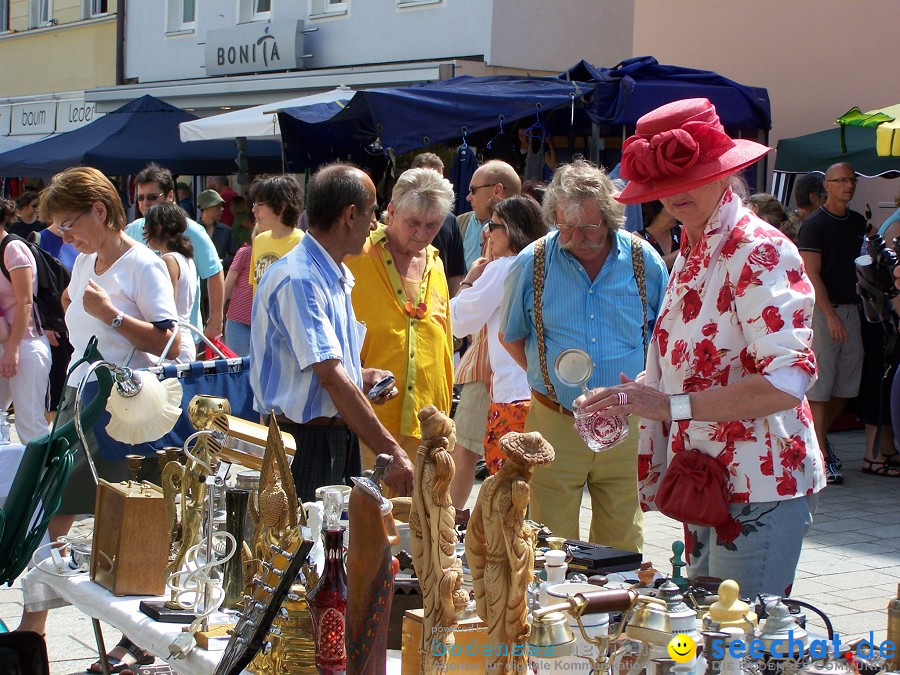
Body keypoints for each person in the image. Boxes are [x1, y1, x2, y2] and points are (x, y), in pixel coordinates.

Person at [580, 98, 826, 598]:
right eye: (665, 185)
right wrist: (631, 397)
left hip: (760, 482)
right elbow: (693, 371)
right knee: (711, 638)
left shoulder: (758, 249)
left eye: (691, 177)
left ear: (724, 172)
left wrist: (668, 405)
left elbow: (787, 379)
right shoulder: (692, 249)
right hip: (705, 477)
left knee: (739, 642)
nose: (676, 195)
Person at [17, 167, 180, 669]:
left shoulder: (144, 265)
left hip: (126, 410)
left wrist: (110, 315)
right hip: (81, 402)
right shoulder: (86, 261)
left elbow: (172, 343)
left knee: (136, 529)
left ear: (100, 211)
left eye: (68, 223)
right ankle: (33, 631)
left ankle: (136, 640)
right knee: (56, 518)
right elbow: (77, 310)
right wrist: (80, 306)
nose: (63, 236)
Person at [500, 158, 668, 552]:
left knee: (623, 538)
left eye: (587, 227)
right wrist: (550, 380)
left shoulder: (645, 262)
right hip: (556, 421)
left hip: (627, 420)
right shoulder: (532, 263)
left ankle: (614, 609)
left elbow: (665, 337)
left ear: (610, 218)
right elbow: (512, 336)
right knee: (548, 540)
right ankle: (555, 612)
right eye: (565, 226)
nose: (575, 237)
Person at [250, 162, 414, 501]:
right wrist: (391, 450)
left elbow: (328, 371)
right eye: (372, 212)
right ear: (350, 214)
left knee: (338, 548)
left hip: (332, 437)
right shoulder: (302, 278)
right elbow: (331, 377)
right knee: (305, 550)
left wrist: (363, 376)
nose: (375, 222)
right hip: (304, 444)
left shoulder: (330, 274)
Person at [346, 168, 455, 477]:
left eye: (432, 225)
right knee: (370, 518)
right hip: (369, 422)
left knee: (421, 519)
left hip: (427, 422)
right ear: (390, 212)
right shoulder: (356, 255)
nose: (422, 233)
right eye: (413, 223)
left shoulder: (435, 261)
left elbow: (443, 338)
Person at [451, 196, 546, 476]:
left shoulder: (502, 268)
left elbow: (458, 322)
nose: (486, 233)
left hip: (511, 395)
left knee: (507, 485)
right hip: (546, 395)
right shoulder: (546, 264)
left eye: (492, 226)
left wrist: (469, 280)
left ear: (511, 229)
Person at [448, 160, 521, 506]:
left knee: (467, 449)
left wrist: (469, 281)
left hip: (494, 370)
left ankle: (447, 530)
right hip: (517, 376)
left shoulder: (504, 260)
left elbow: (461, 318)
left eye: (474, 191)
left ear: (497, 191)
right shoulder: (534, 241)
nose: (468, 198)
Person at [795, 162, 866, 485]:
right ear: (828, 186)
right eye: (841, 180)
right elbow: (811, 273)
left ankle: (816, 438)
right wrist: (830, 314)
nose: (848, 185)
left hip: (852, 307)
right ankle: (821, 455)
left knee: (848, 383)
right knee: (821, 387)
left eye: (851, 180)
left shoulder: (857, 222)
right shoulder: (815, 224)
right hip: (824, 311)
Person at [125, 163, 225, 341]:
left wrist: (215, 320)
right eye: (140, 198)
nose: (145, 204)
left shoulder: (191, 230)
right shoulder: (132, 230)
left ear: (170, 195)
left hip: (182, 332)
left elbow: (213, 271)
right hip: (142, 332)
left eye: (152, 197)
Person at [0, 198, 49, 443]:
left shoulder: (12, 249)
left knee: (30, 425)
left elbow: (25, 303)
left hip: (26, 345)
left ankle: (47, 479)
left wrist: (13, 350)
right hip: (8, 344)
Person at [144, 203, 197, 363]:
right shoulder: (186, 258)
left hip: (172, 343)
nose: (145, 231)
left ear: (158, 228)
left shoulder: (169, 259)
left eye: (147, 226)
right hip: (185, 339)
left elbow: (167, 308)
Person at [410, 152, 466, 296]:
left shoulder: (450, 220)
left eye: (439, 181)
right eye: (430, 181)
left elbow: (455, 272)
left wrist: (451, 307)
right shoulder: (397, 216)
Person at [248, 175, 304, 291]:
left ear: (281, 206)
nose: (254, 210)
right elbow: (256, 288)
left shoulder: (302, 243)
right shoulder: (259, 240)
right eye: (254, 204)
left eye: (260, 204)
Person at [224, 223, 265, 357]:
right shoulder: (245, 253)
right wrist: (217, 315)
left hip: (265, 322)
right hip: (239, 321)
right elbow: (227, 285)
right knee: (238, 368)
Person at [196, 189, 238, 272]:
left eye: (221, 205)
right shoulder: (193, 230)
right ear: (206, 207)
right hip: (197, 279)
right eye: (217, 206)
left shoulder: (226, 231)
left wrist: (221, 262)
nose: (222, 209)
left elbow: (236, 257)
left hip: (219, 278)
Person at [636, 199, 681, 270]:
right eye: (671, 208)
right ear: (657, 211)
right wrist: (683, 251)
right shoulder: (637, 238)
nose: (676, 212)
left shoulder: (682, 232)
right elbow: (653, 267)